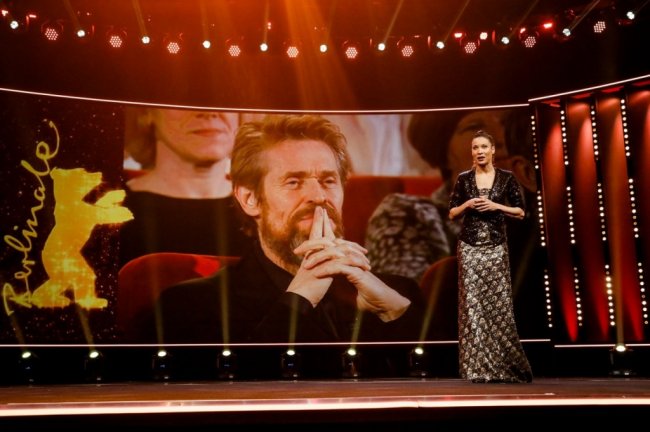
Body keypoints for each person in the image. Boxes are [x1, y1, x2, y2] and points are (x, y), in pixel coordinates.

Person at [132, 115, 425, 349]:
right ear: (250, 199)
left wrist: (399, 315)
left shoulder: (399, 294)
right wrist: (299, 300)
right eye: (294, 182)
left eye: (328, 181)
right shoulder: (190, 306)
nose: (318, 196)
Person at [365, 108, 537, 283]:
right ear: (443, 151)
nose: (500, 138)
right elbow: (405, 295)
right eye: (475, 128)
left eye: (504, 125)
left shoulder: (540, 207)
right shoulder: (406, 213)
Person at [118, 107, 252, 269]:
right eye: (186, 97)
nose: (209, 112)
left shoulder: (269, 206)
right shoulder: (107, 211)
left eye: (224, 98)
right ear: (147, 113)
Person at [449, 130, 532, 384]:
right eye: (476, 147)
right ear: (472, 152)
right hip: (469, 247)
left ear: (493, 150)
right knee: (472, 307)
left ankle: (504, 366)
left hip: (495, 247)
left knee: (499, 306)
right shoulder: (464, 179)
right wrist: (467, 205)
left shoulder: (506, 178)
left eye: (484, 146)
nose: (480, 151)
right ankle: (478, 368)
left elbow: (521, 212)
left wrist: (496, 206)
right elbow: (452, 212)